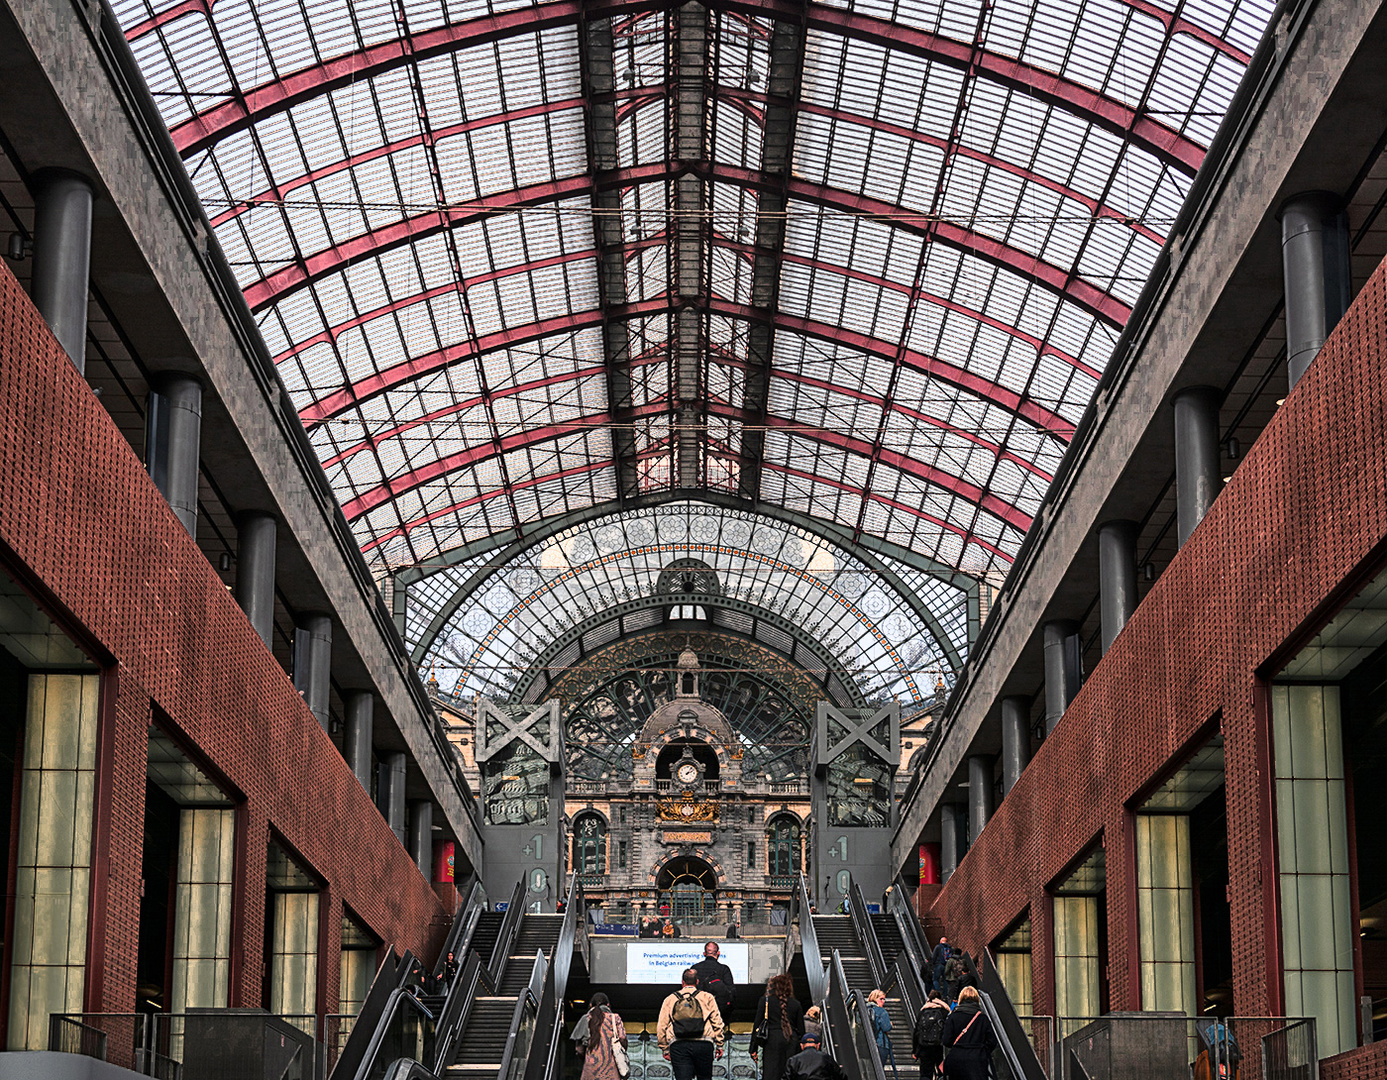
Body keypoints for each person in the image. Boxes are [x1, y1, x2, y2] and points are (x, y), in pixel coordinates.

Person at [658, 967, 726, 1080]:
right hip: (704, 1044)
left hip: (679, 1045)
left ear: (682, 982)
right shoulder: (707, 997)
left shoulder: (670, 999)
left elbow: (662, 1026)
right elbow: (717, 1021)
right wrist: (719, 1044)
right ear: (697, 982)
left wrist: (664, 1048)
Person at [749, 972, 805, 1080]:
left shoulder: (765, 1001)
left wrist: (753, 1048)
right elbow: (801, 1030)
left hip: (771, 1040)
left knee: (771, 1073)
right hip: (791, 1041)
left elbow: (757, 1025)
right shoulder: (796, 1004)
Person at [941, 986, 994, 1079]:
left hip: (957, 1059)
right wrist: (982, 1050)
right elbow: (992, 1041)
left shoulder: (953, 1017)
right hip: (977, 1060)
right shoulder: (982, 1018)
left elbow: (946, 1040)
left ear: (960, 999)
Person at [573, 992, 629, 1080]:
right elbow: (622, 1038)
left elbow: (579, 1049)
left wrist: (587, 1055)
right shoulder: (614, 1018)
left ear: (591, 1005)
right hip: (611, 1071)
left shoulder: (586, 1019)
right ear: (608, 1005)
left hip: (590, 1070)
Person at [691, 941, 735, 1023]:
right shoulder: (724, 969)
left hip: (698, 1011)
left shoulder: (695, 968)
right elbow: (731, 992)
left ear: (704, 954)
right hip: (718, 1011)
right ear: (718, 953)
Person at [912, 990, 951, 1078]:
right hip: (940, 1047)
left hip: (924, 1047)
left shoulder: (922, 1012)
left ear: (928, 999)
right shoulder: (944, 1012)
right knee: (942, 1071)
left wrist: (915, 1051)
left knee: (925, 1073)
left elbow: (917, 1032)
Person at [866, 989, 899, 1080]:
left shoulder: (863, 1010)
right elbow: (886, 1027)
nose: (883, 1001)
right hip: (881, 1044)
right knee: (879, 1070)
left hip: (866, 1044)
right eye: (881, 999)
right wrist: (891, 1024)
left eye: (884, 999)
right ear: (875, 999)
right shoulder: (881, 1011)